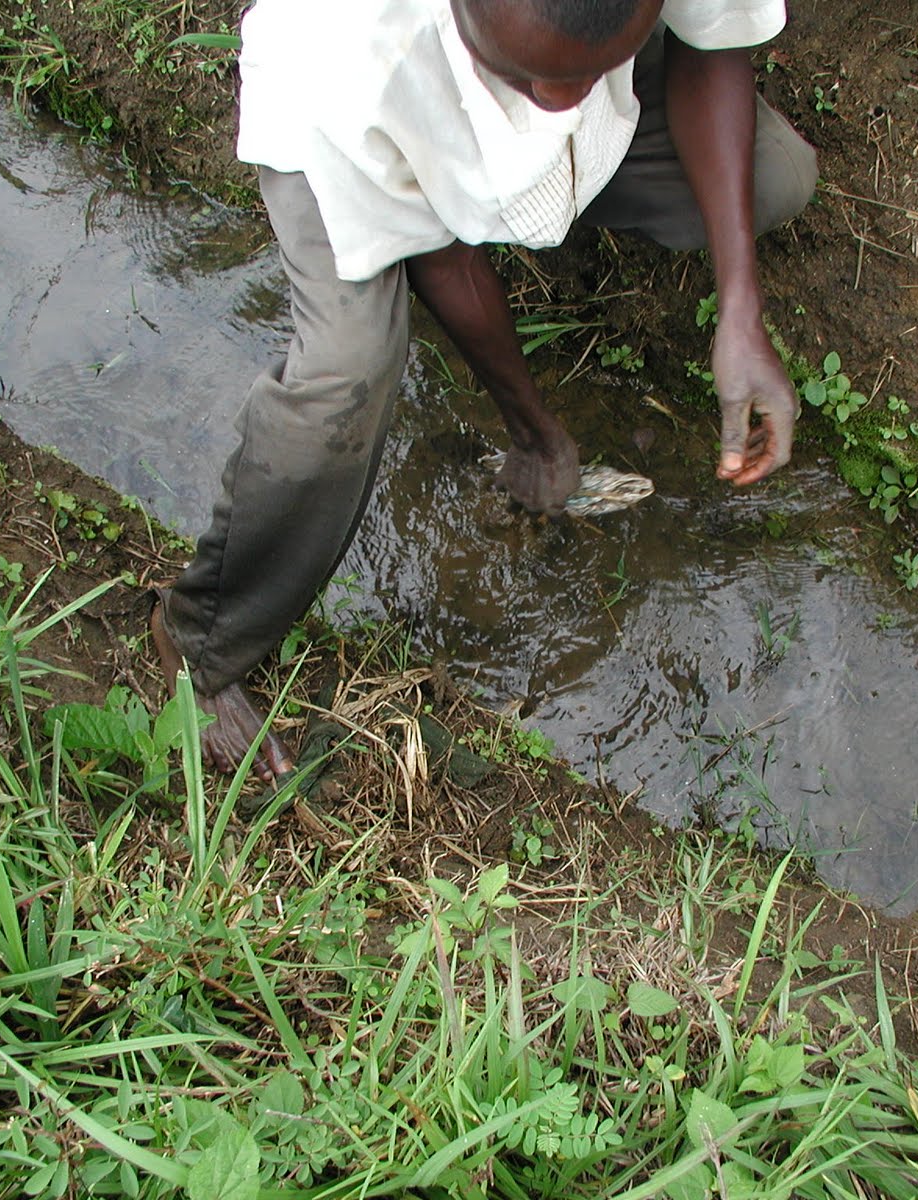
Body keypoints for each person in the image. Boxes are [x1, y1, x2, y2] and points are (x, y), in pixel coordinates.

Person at [150, 0, 818, 777]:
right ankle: (196, 642)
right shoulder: (356, 50)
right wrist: (534, 431)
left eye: (581, 74)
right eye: (522, 74)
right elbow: (446, 254)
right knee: (343, 377)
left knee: (775, 174)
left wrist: (740, 307)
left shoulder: (563, 69)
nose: (561, 104)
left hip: (517, 90)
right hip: (347, 139)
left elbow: (711, 50)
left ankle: (555, 121)